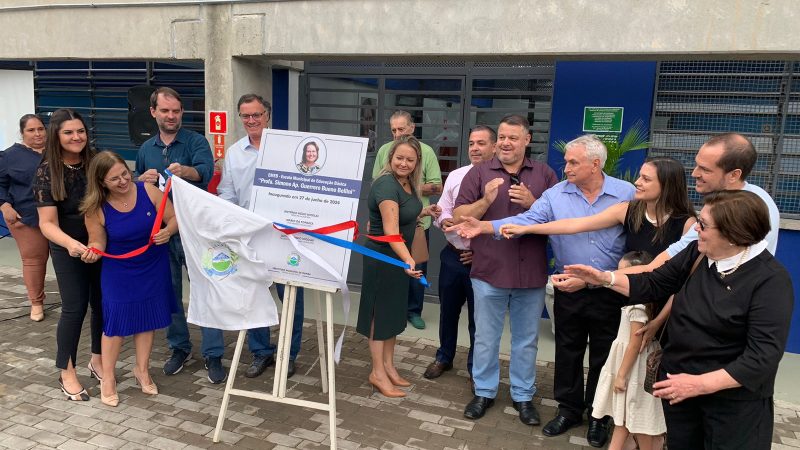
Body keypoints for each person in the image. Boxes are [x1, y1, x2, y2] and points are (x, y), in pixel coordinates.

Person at [563, 190, 794, 450]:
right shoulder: (698, 254)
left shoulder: (770, 281)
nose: (696, 228)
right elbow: (654, 282)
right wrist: (605, 279)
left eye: (704, 225)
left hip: (731, 405)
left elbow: (762, 357)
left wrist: (699, 384)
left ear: (733, 234)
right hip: (680, 393)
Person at [452, 134, 635, 445]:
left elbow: (638, 240)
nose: (566, 167)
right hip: (568, 287)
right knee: (568, 352)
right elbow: (527, 219)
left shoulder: (626, 193)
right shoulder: (556, 194)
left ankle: (598, 416)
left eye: (573, 162)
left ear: (595, 164)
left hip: (610, 288)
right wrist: (484, 226)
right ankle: (568, 410)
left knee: (605, 356)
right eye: (566, 161)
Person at [624, 134, 781, 348]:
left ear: (734, 174)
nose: (694, 173)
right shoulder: (716, 208)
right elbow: (680, 269)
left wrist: (596, 278)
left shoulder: (754, 208)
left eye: (705, 169)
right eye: (697, 165)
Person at [452, 115, 558, 426]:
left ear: (527, 140)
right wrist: (485, 200)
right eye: (502, 137)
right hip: (489, 271)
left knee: (526, 339)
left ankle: (523, 395)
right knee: (486, 337)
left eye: (513, 137)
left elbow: (558, 221)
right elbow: (459, 215)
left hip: (531, 274)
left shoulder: (545, 174)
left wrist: (533, 201)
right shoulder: (479, 172)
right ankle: (484, 391)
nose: (506, 143)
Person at [217, 93, 305, 379]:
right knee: (252, 296)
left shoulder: (288, 150)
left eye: (256, 115)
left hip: (283, 236)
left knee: (291, 295)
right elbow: (227, 192)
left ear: (267, 115)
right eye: (245, 116)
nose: (251, 120)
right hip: (249, 237)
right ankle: (261, 352)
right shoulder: (234, 152)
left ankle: (288, 355)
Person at [80, 151, 178, 407]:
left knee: (147, 320)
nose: (123, 181)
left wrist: (168, 231)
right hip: (118, 271)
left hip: (152, 265)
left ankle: (142, 370)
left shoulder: (148, 190)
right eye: (115, 179)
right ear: (101, 182)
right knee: (115, 324)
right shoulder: (95, 208)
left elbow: (174, 218)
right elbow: (97, 239)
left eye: (125, 173)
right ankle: (108, 377)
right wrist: (93, 250)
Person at [135, 87, 216, 381]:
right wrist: (139, 180)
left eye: (176, 111)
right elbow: (139, 190)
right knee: (169, 293)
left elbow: (205, 171)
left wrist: (186, 171)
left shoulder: (196, 141)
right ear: (154, 112)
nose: (171, 116)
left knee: (206, 291)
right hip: (162, 234)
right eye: (165, 111)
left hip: (196, 232)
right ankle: (179, 348)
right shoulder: (146, 150)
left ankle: (213, 352)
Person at [357, 135, 440, 398]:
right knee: (379, 316)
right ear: (390, 157)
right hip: (384, 257)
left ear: (417, 163)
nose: (404, 163)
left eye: (410, 160)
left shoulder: (406, 183)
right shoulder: (385, 185)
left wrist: (424, 212)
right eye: (399, 158)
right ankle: (377, 372)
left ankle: (389, 367)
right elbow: (391, 230)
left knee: (392, 315)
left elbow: (404, 213)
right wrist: (407, 259)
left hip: (397, 255)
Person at [33, 108, 102, 401]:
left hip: (100, 244)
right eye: (69, 132)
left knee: (102, 303)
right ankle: (67, 371)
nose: (77, 137)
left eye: (80, 131)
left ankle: (97, 358)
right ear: (56, 136)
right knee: (75, 307)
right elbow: (46, 223)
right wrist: (72, 245)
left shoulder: (95, 160)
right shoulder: (47, 171)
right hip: (66, 247)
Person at [498, 156, 696, 256]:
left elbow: (682, 272)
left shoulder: (688, 225)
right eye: (639, 176)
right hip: (631, 295)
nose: (637, 182)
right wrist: (527, 228)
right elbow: (573, 225)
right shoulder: (628, 210)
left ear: (667, 185)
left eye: (646, 179)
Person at [423, 126, 496, 383]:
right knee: (448, 311)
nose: (475, 148)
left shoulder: (502, 180)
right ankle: (444, 356)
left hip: (483, 261)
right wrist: (442, 221)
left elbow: (505, 222)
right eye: (471, 143)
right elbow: (442, 209)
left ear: (494, 147)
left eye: (481, 143)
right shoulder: (456, 175)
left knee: (480, 319)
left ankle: (476, 367)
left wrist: (482, 252)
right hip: (453, 256)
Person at [372, 110, 442, 330]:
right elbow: (376, 181)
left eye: (401, 129)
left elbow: (437, 185)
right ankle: (394, 311)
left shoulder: (427, 151)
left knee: (416, 266)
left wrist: (408, 187)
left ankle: (414, 311)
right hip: (389, 224)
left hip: (418, 224)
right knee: (391, 270)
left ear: (412, 128)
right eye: (393, 130)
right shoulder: (384, 150)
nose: (397, 134)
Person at [591, 251, 666, 450]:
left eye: (625, 272)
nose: (619, 277)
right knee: (624, 418)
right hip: (634, 364)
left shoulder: (637, 304)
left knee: (633, 418)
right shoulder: (647, 299)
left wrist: (621, 375)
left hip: (633, 367)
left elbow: (634, 343)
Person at [0, 114, 49, 321]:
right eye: (31, 130)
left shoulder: (57, 150)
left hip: (59, 216)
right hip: (26, 217)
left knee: (67, 260)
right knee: (34, 261)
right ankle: (36, 303)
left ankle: (74, 302)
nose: (37, 134)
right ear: (22, 133)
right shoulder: (9, 156)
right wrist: (4, 206)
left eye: (40, 129)